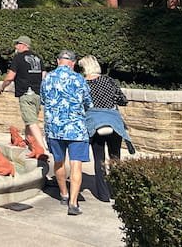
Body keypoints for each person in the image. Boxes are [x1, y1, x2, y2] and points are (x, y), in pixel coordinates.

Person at [40, 49, 92, 217]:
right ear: (73, 63)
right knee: (76, 164)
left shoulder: (47, 79)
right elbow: (88, 103)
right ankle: (73, 203)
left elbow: (43, 100)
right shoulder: (79, 79)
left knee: (59, 162)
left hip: (55, 128)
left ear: (58, 61)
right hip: (76, 129)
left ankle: (63, 193)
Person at [78, 55, 135, 202]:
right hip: (113, 122)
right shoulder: (109, 81)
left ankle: (103, 195)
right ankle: (116, 190)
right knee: (115, 156)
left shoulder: (83, 84)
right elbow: (122, 100)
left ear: (85, 68)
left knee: (99, 158)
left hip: (94, 123)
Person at [0, 36, 45, 146]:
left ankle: (42, 148)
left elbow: (10, 76)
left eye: (18, 44)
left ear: (24, 45)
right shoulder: (38, 57)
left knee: (32, 122)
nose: (16, 46)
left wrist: (2, 86)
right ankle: (29, 143)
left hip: (26, 93)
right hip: (37, 93)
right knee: (29, 120)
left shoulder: (18, 58)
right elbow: (43, 75)